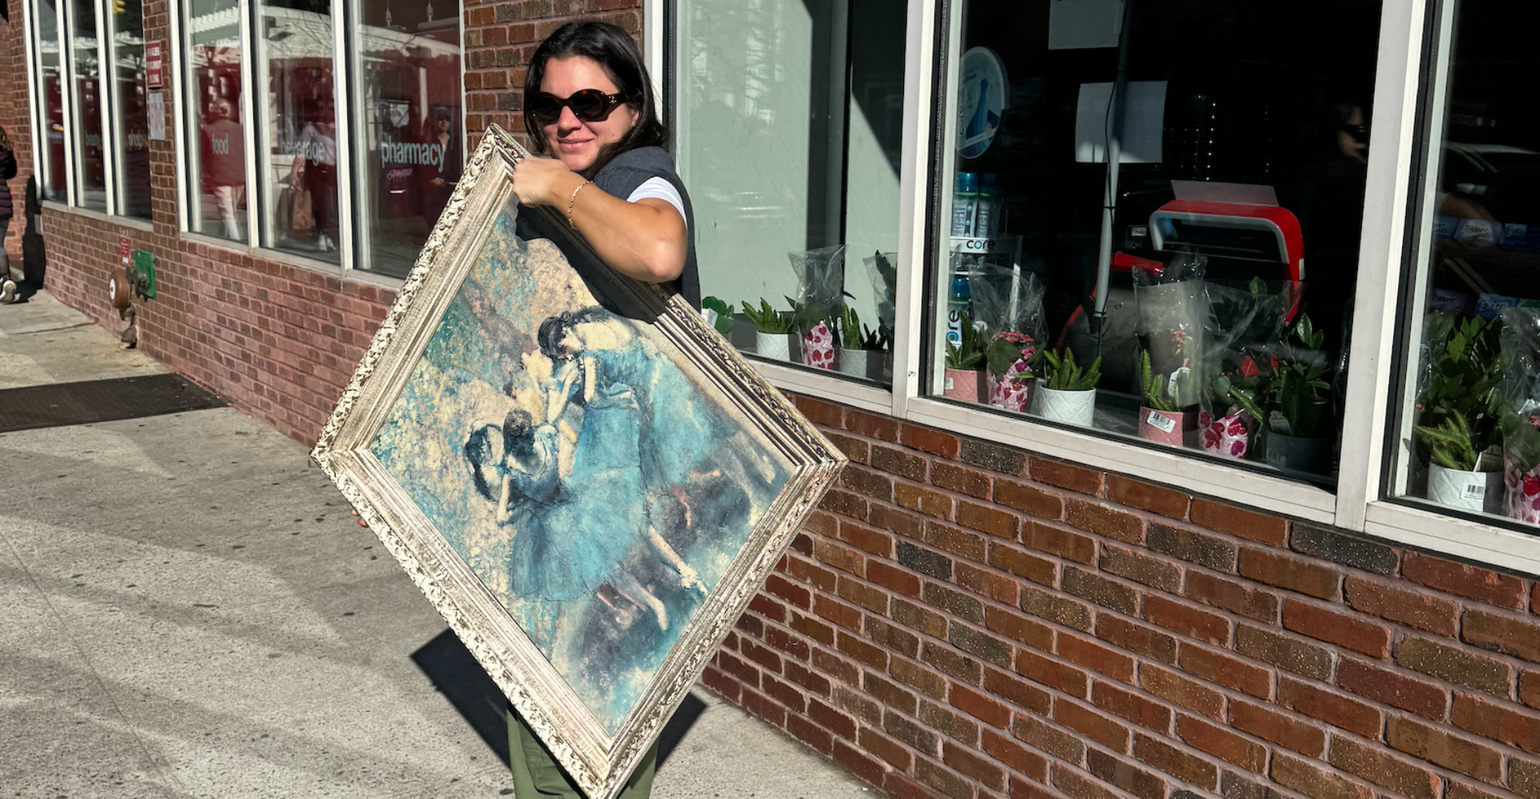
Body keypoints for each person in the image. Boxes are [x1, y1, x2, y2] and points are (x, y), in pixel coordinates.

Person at [501, 19, 699, 799]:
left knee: (582, 758)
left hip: (618, 524)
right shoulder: (583, 188)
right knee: (551, 743)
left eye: (590, 100)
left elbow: (660, 252)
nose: (566, 120)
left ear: (632, 107)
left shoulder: (640, 175)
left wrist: (554, 183)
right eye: (548, 106)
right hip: (567, 517)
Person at [1, 125, 16, 285]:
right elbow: (12, 173)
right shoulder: (6, 154)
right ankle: (4, 280)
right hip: (4, 203)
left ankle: (5, 279)